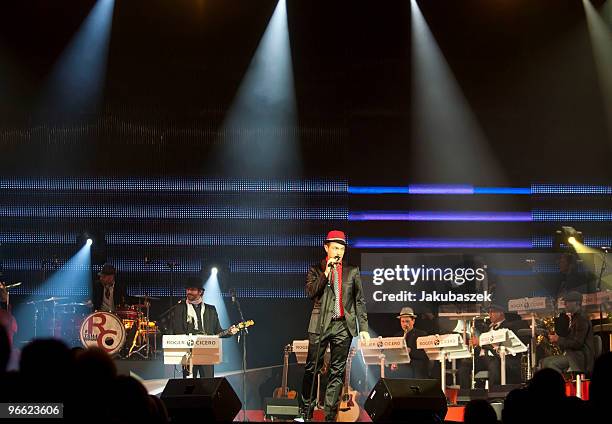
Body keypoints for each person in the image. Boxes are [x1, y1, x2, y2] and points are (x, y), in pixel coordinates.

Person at [299, 230, 370, 422]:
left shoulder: (352, 271)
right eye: (335, 248)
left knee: (337, 372)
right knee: (311, 369)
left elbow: (359, 300)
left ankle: (330, 416)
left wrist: (363, 328)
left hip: (343, 326)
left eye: (342, 248)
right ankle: (306, 412)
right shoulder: (316, 269)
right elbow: (312, 292)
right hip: (320, 324)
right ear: (326, 248)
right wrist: (327, 272)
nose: (338, 252)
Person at [169, 276, 238, 378]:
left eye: (192, 289)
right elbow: (177, 330)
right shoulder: (180, 308)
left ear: (200, 292)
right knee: (189, 386)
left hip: (207, 351)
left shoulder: (211, 310)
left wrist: (229, 332)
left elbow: (218, 331)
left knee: (208, 384)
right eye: (187, 289)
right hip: (189, 353)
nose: (189, 292)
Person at [543, 291, 595, 376]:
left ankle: (562, 386)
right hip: (574, 355)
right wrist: (558, 340)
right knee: (544, 362)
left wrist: (559, 339)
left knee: (550, 364)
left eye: (567, 302)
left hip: (580, 358)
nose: (565, 304)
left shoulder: (582, 319)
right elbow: (571, 340)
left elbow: (577, 343)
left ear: (577, 303)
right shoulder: (575, 318)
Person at [389, 307, 429, 378]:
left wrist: (410, 351)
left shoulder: (421, 334)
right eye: (402, 321)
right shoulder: (397, 336)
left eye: (407, 321)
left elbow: (426, 355)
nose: (405, 324)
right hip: (402, 371)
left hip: (417, 371)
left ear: (413, 321)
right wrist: (393, 362)